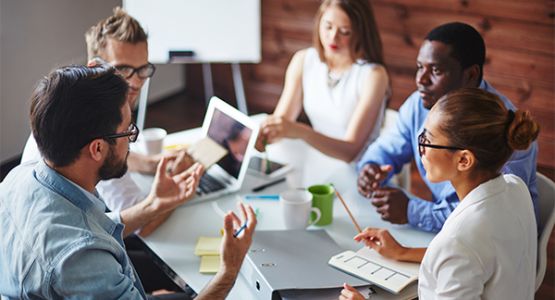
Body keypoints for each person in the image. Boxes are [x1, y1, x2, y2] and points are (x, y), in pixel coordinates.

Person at [0, 65, 257, 300]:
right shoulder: (83, 259)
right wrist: (228, 272)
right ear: (97, 148)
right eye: (128, 130)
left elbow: (88, 229)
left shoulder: (21, 176)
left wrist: (155, 204)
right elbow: (83, 244)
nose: (131, 141)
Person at [341, 88, 539, 299]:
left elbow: (462, 251)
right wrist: (402, 252)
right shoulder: (516, 187)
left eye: (428, 139)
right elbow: (476, 258)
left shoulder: (459, 241)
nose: (421, 149)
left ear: (464, 160)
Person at [20, 7, 191, 237]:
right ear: (95, 67)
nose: (135, 82)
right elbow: (142, 226)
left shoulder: (66, 104)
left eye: (142, 69)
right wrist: (177, 191)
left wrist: (151, 164)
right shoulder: (99, 128)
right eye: (122, 69)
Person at [357, 22, 539, 232]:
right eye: (419, 67)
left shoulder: (504, 128)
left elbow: (493, 218)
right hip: (451, 234)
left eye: (435, 70)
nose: (420, 80)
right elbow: (387, 147)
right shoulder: (419, 104)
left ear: (471, 74)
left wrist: (413, 211)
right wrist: (371, 167)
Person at [256, 0, 390, 162]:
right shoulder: (304, 60)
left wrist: (301, 132)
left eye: (345, 31)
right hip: (320, 162)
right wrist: (262, 135)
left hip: (363, 170)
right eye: (328, 27)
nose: (333, 37)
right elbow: (282, 124)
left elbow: (350, 152)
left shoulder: (374, 75)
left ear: (361, 33)